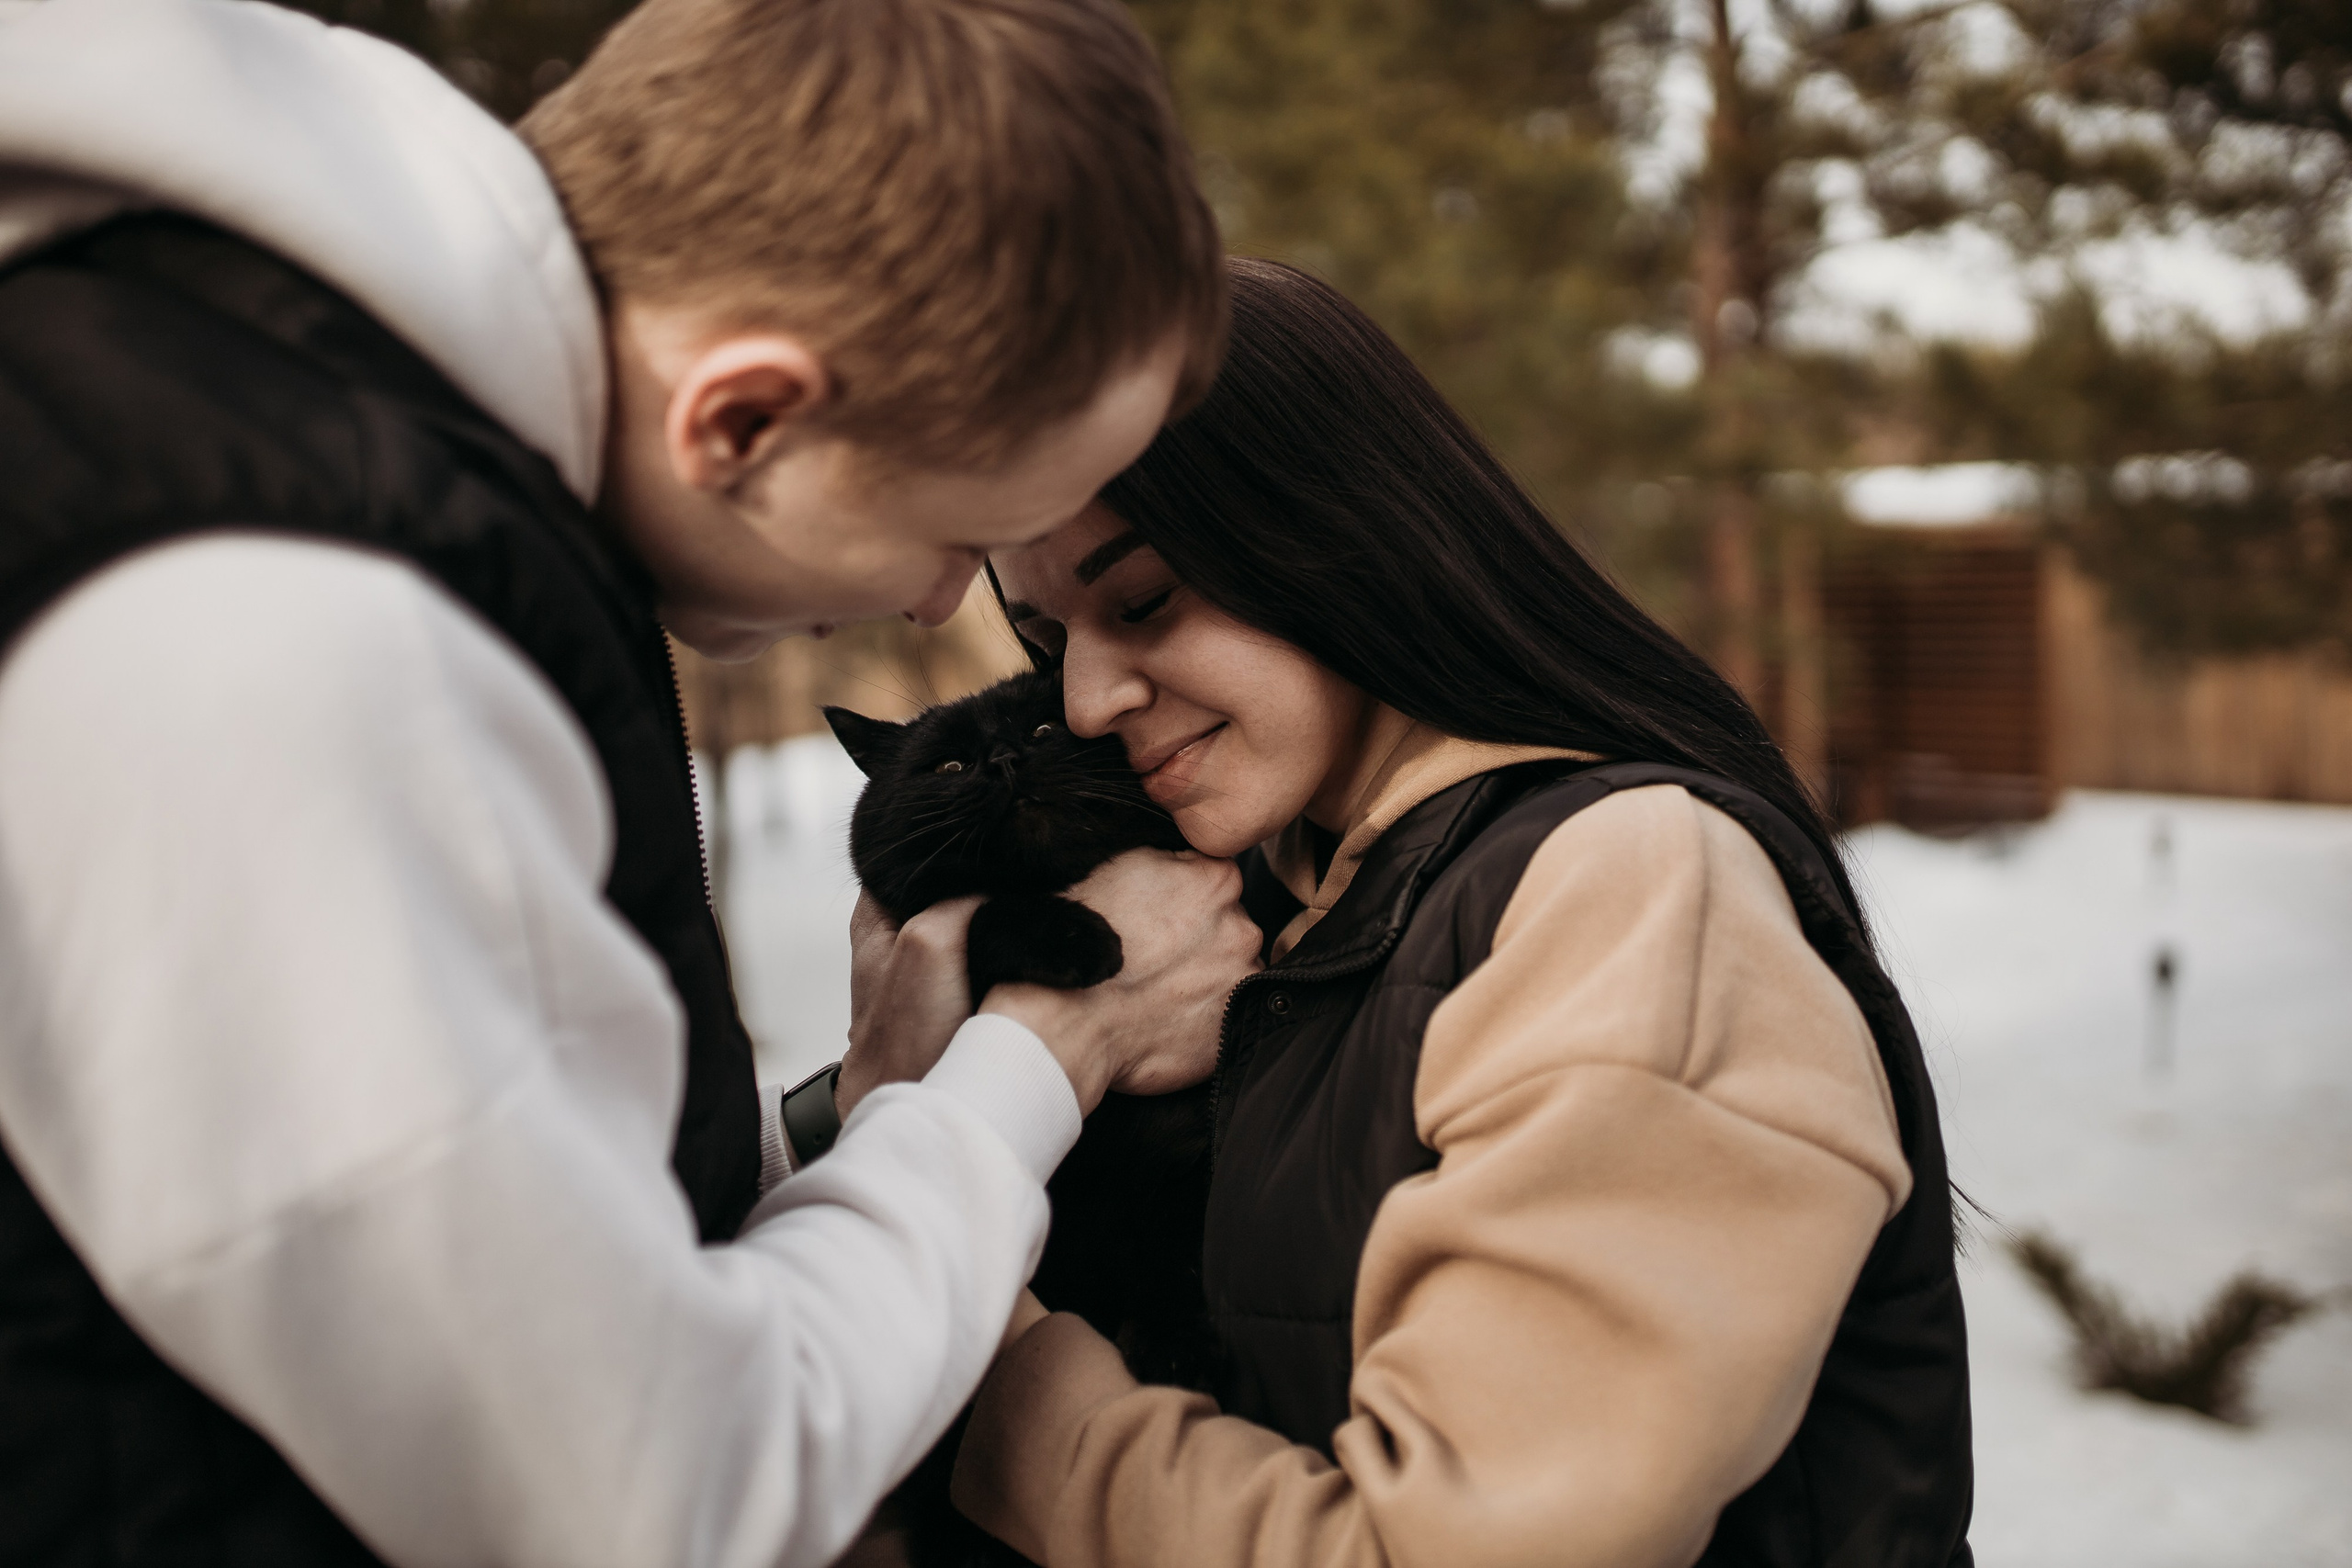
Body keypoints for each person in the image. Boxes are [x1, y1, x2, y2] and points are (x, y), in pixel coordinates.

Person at [0, 1, 1261, 1562]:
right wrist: (1035, 1064)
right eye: (954, 536)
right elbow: (650, 1496)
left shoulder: (349, 454)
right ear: (740, 416)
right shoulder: (285, 635)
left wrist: (866, 1112)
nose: (942, 607)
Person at [958, 259, 1974, 1568]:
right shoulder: (1304, 902)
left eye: (1143, 599)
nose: (1088, 699)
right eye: (1050, 640)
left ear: (1332, 529)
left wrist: (992, 1378)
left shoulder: (1625, 890)